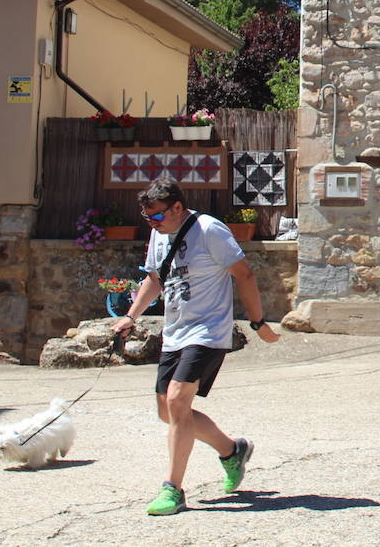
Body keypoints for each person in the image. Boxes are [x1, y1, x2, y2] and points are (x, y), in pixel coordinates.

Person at [112, 177, 280, 516]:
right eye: (147, 218)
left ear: (177, 207)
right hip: (176, 332)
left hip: (208, 332)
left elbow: (244, 273)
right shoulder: (158, 234)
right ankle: (232, 451)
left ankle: (172, 489)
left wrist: (258, 322)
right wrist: (131, 315)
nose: (152, 223)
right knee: (169, 411)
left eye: (157, 216)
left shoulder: (208, 230)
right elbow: (155, 279)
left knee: (176, 400)